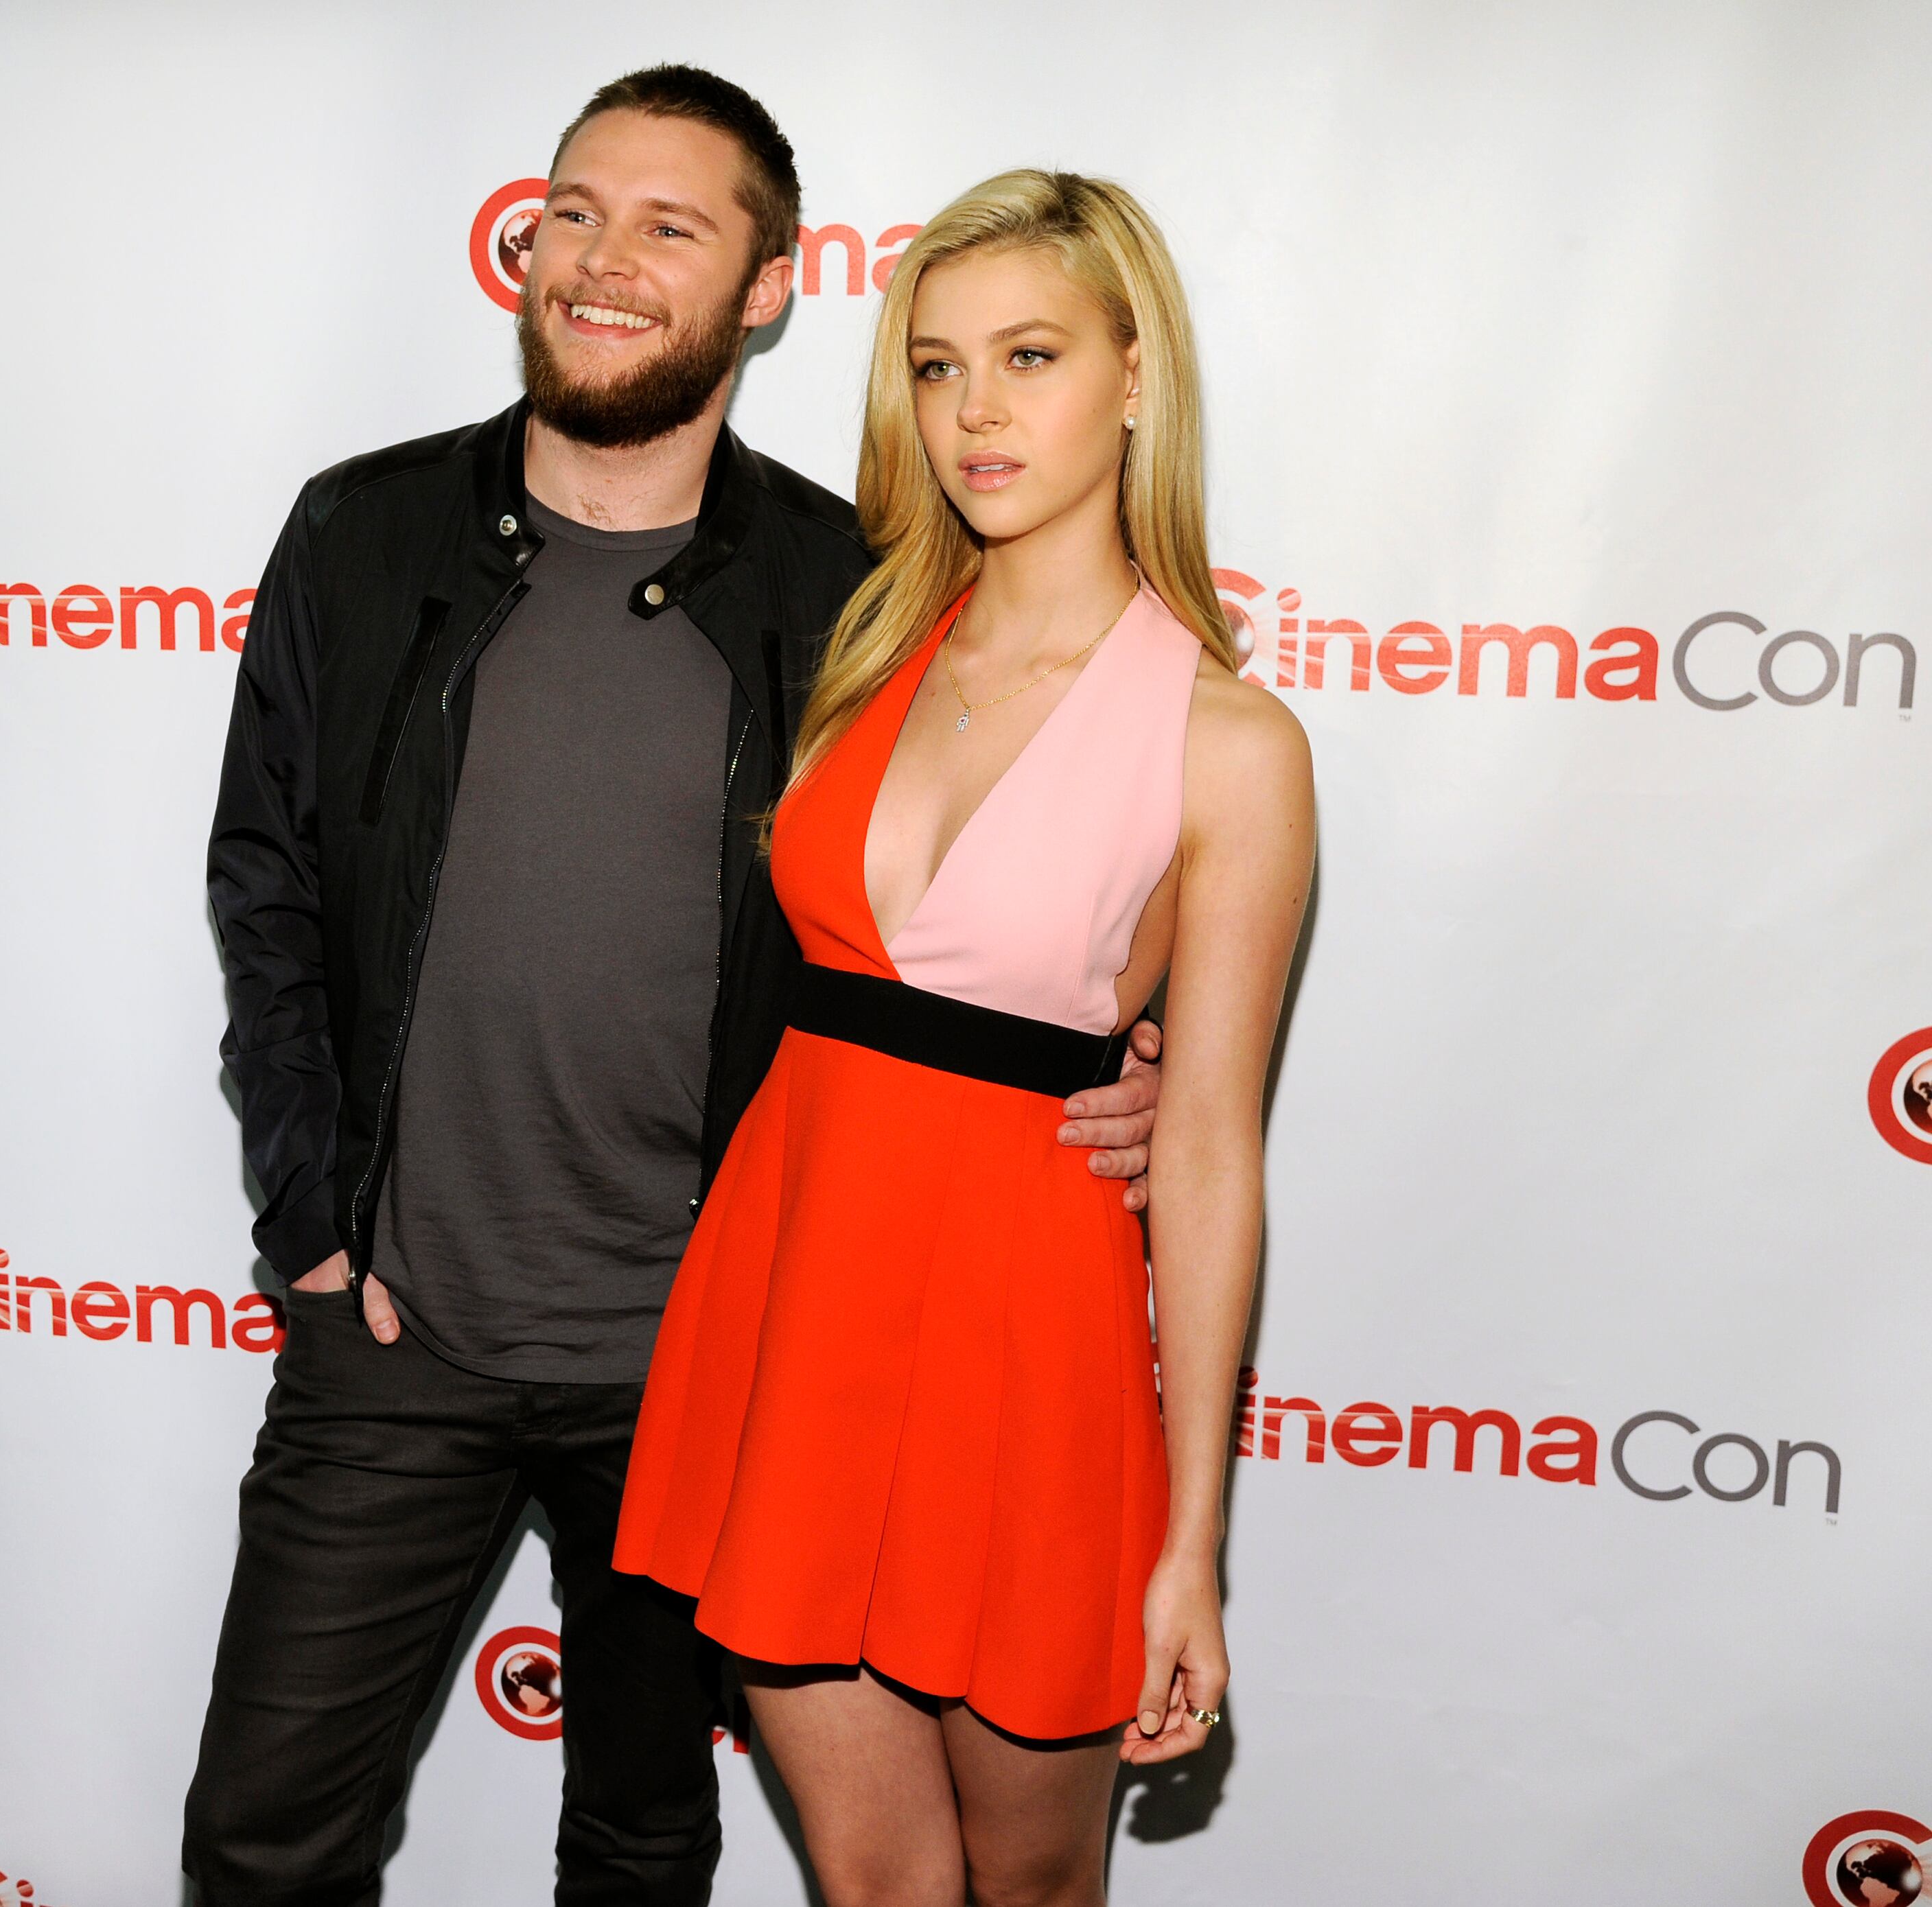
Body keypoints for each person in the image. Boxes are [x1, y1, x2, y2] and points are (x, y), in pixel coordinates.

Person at [190, 72, 1167, 1907]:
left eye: (671, 226)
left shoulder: (861, 591)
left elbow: (999, 893)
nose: (603, 260)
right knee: (263, 1837)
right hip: (399, 1336)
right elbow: (266, 887)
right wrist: (315, 1216)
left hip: (718, 1361)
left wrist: (1141, 1049)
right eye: (575, 210)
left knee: (646, 1839)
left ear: (771, 287)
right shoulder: (360, 532)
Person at [614, 171, 1313, 1907]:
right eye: (935, 368)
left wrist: (1193, 1551)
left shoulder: (1228, 740)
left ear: (1135, 376)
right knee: (874, 1888)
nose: (975, 412)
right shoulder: (863, 638)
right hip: (792, 1307)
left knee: (1030, 1892)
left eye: (1028, 355)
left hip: (1027, 1341)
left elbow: (1213, 1141)